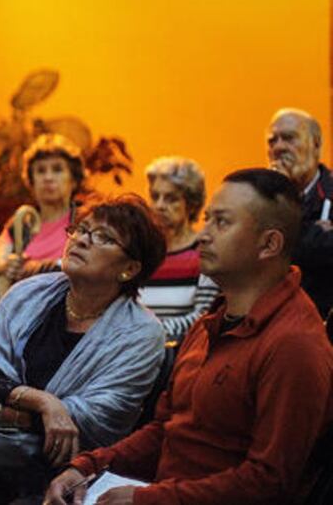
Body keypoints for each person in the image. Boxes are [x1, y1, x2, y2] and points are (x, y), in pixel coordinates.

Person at [45, 169, 333, 505]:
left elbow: (270, 482)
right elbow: (166, 430)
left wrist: (148, 500)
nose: (204, 234)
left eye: (221, 222)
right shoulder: (210, 323)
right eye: (207, 219)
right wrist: (87, 467)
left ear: (269, 244)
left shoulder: (294, 343)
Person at [0, 195, 167, 504]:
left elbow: (97, 420)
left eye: (103, 237)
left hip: (68, 467)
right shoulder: (28, 293)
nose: (81, 240)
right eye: (81, 229)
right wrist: (44, 402)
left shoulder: (141, 333)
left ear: (130, 268)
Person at [0, 134, 84, 286]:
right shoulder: (21, 222)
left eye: (57, 169)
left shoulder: (85, 220)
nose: (48, 177)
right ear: (31, 182)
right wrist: (7, 265)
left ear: (74, 180)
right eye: (41, 171)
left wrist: (30, 269)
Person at [139, 156, 219, 342]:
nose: (159, 206)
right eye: (155, 196)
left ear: (191, 205)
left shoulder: (206, 251)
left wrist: (148, 334)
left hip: (183, 351)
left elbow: (204, 316)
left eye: (171, 199)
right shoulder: (142, 252)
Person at [266, 107, 333, 318]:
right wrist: (315, 233)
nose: (278, 147)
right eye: (272, 141)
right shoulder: (261, 197)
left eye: (289, 138)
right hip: (271, 321)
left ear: (316, 143)